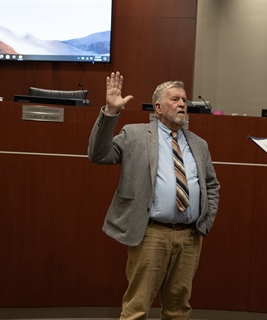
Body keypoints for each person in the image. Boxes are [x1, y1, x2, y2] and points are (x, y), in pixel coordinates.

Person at [88, 71, 220, 320]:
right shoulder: (134, 134)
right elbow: (99, 154)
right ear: (159, 107)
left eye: (184, 100)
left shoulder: (199, 144)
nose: (182, 104)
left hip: (189, 236)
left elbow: (212, 186)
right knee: (137, 308)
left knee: (179, 309)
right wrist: (110, 112)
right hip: (150, 234)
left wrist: (205, 222)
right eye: (175, 100)